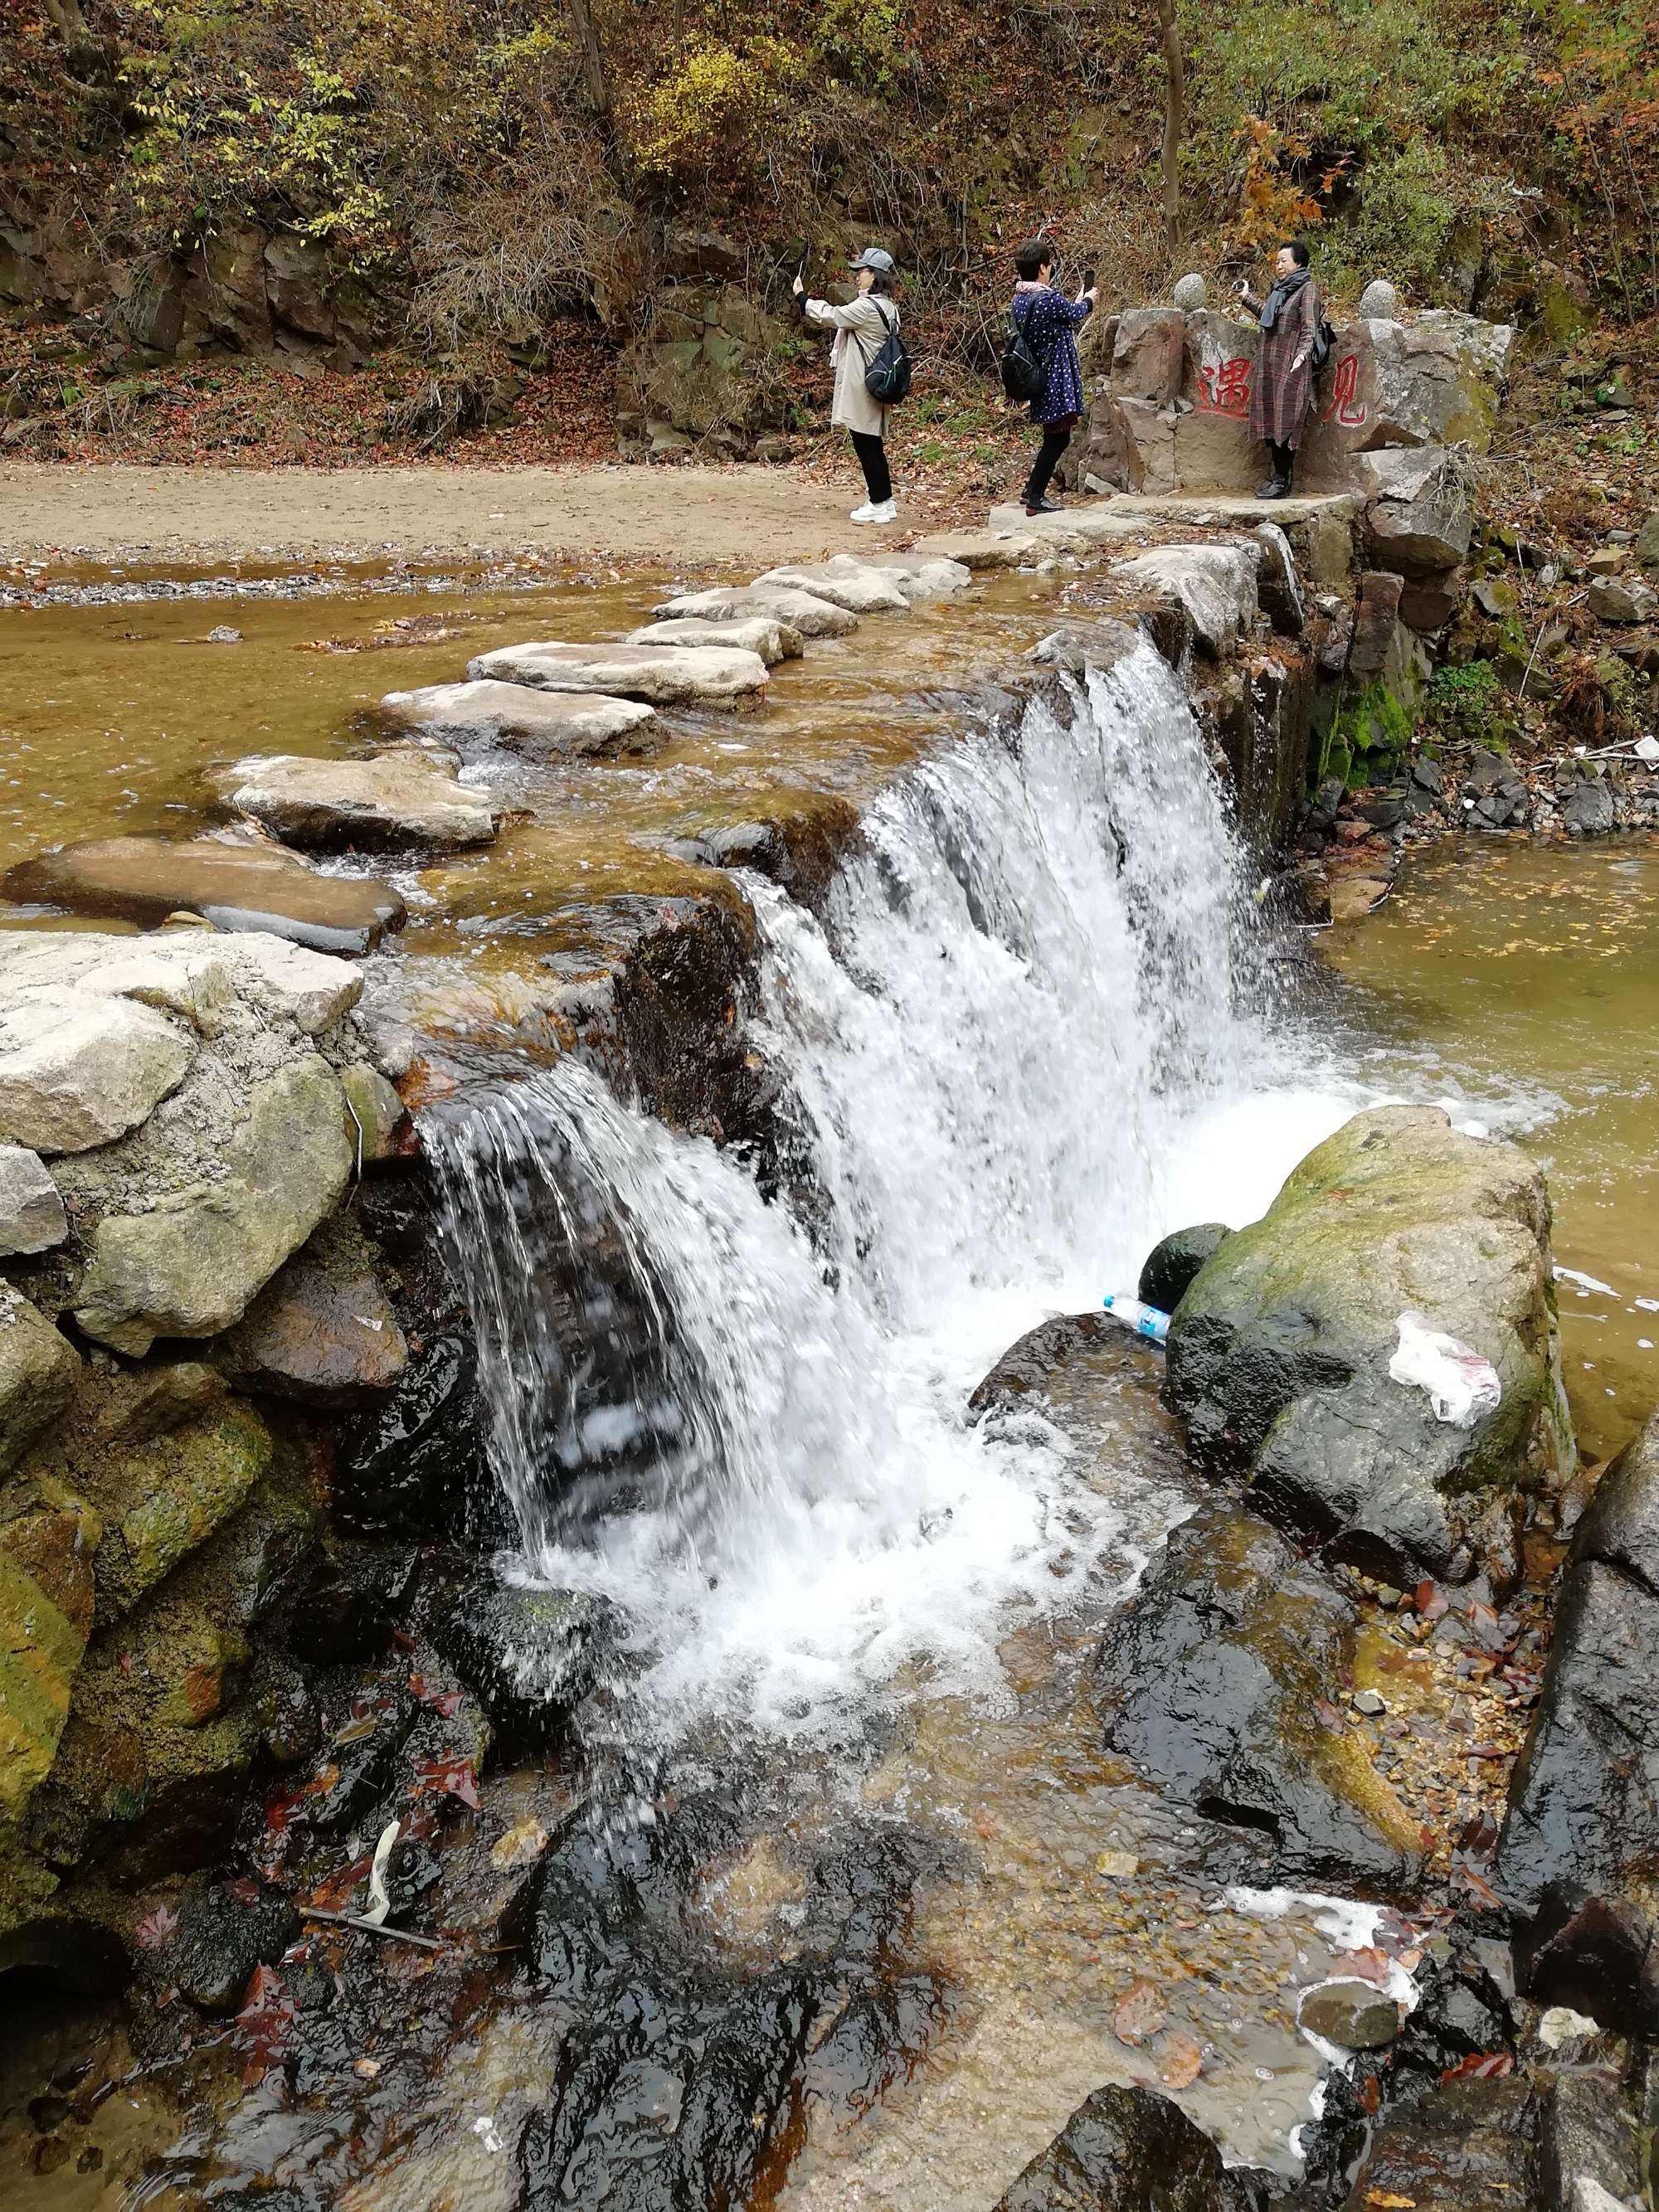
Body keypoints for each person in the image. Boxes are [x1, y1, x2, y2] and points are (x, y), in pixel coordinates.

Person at [792, 246, 902, 524]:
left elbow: (832, 316)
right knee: (872, 443)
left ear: (874, 275)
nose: (857, 277)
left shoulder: (866, 307)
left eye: (862, 272)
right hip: (877, 381)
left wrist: (803, 299)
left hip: (862, 385)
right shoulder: (890, 308)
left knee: (866, 444)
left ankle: (879, 502)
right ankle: (884, 501)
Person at [1010, 240, 1097, 517]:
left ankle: (1030, 490)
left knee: (1054, 436)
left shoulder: (1021, 298)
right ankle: (1035, 496)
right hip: (1056, 377)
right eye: (1048, 265)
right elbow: (1075, 314)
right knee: (1057, 439)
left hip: (1038, 374)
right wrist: (1090, 299)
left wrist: (1079, 299)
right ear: (1043, 267)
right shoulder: (1047, 298)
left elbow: (1061, 316)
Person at [1236, 241, 1322, 499]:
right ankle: (1277, 478)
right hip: (1270, 363)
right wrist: (1246, 297)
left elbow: (1310, 325)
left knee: (1286, 419)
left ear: (1299, 263)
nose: (1279, 265)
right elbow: (1269, 316)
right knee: (1268, 416)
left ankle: (1282, 480)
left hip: (1292, 364)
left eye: (1284, 260)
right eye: (1277, 261)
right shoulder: (1279, 291)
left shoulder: (1307, 290)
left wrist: (1303, 354)